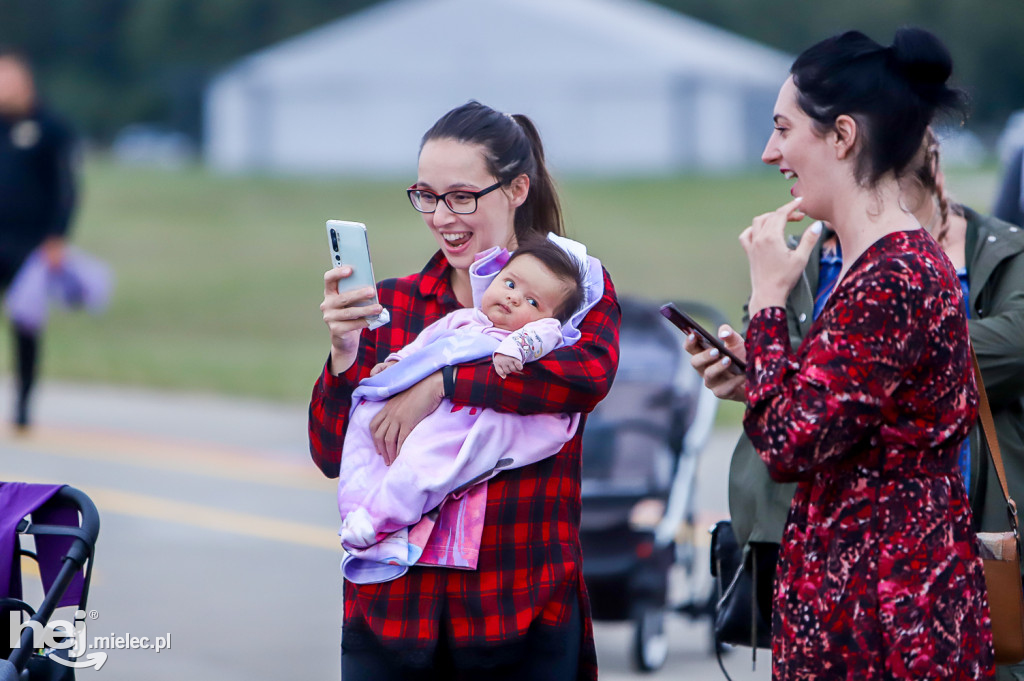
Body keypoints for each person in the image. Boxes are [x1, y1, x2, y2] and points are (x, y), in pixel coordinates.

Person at [693, 29, 993, 678]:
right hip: (879, 596)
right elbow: (838, 422)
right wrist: (758, 377)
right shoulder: (887, 263)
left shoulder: (891, 277)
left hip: (882, 611)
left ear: (842, 136)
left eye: (783, 128)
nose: (771, 151)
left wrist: (769, 300)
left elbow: (788, 445)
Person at [308, 100, 620, 680]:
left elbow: (580, 380)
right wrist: (343, 356)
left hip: (521, 613)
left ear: (516, 189)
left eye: (462, 196)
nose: (441, 215)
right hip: (394, 618)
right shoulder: (394, 305)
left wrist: (441, 383)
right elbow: (332, 455)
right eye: (426, 195)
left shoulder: (570, 295)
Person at [338, 237, 595, 584]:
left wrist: (516, 350)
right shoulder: (459, 320)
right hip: (422, 410)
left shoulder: (530, 335)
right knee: (367, 433)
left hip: (459, 425)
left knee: (420, 467)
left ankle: (378, 521)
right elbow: (422, 344)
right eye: (510, 283)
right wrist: (396, 362)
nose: (513, 297)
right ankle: (357, 506)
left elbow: (543, 335)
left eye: (532, 301)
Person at [0, 49, 77, 429]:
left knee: (25, 323)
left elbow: (67, 187)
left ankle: (24, 405)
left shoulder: (50, 127)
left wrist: (57, 237)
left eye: (10, 77)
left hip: (29, 243)